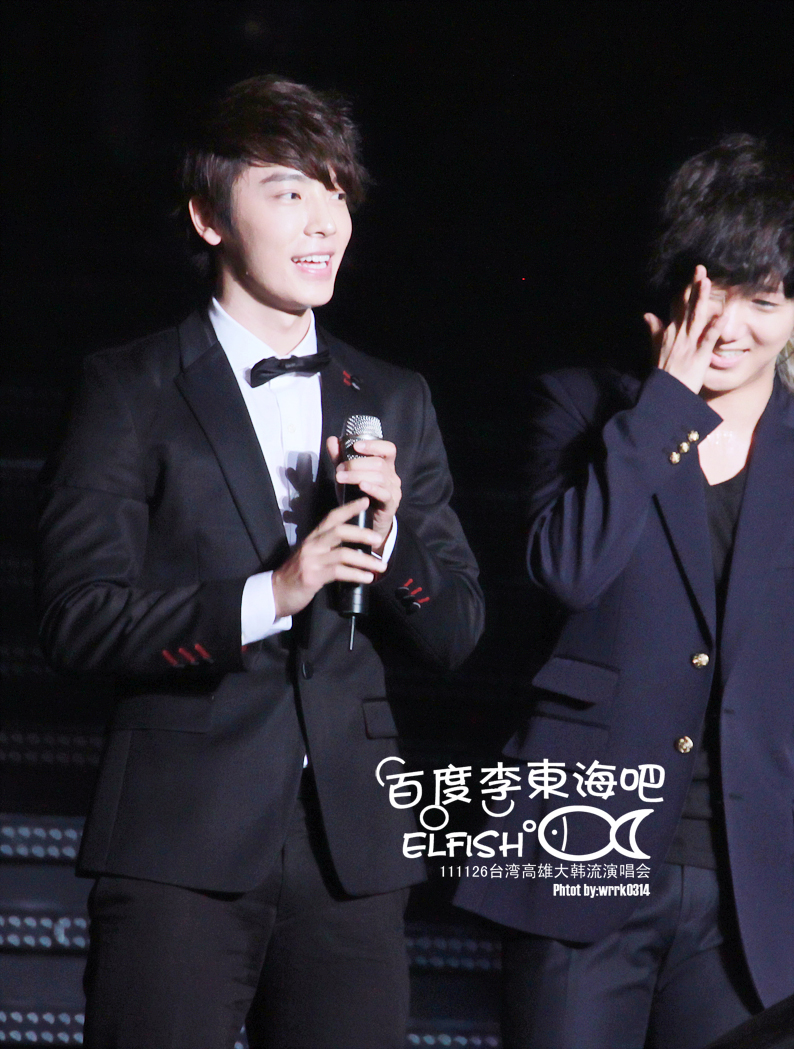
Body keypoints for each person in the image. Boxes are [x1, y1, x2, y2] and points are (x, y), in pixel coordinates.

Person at [37, 75, 484, 1049]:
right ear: (208, 217)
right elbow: (77, 616)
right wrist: (274, 592)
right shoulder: (129, 388)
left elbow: (456, 629)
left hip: (352, 850)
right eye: (289, 191)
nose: (325, 222)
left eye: (337, 193)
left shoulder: (394, 395)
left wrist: (388, 539)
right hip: (179, 837)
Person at [456, 135, 794, 1048]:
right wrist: (665, 406)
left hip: (753, 890)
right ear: (679, 286)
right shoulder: (582, 407)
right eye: (715, 292)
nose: (730, 325)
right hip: (584, 847)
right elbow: (567, 569)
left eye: (763, 301)